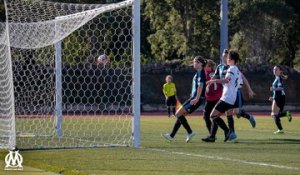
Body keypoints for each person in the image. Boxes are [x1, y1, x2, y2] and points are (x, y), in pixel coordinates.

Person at [163, 56, 207, 142]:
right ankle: (171, 136)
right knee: (180, 115)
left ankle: (189, 132)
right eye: (194, 62)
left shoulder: (201, 72)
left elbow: (201, 86)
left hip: (195, 99)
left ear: (200, 64)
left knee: (178, 113)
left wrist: (197, 98)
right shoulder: (199, 72)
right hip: (194, 98)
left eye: (195, 62)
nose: (193, 63)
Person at [204, 50, 241, 142]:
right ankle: (227, 133)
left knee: (212, 115)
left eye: (228, 58)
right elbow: (240, 84)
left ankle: (228, 132)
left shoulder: (231, 69)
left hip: (227, 97)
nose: (226, 60)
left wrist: (213, 81)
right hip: (231, 97)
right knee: (220, 115)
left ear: (232, 60)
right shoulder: (236, 69)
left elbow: (226, 80)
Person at [270, 65, 292, 134]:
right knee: (275, 114)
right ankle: (286, 113)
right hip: (279, 96)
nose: (274, 70)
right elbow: (277, 90)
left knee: (274, 114)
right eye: (274, 69)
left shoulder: (278, 78)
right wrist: (273, 97)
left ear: (280, 71)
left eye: (276, 69)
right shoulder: (277, 78)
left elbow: (281, 88)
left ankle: (280, 129)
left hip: (279, 96)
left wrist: (273, 89)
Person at [203, 59, 222, 135]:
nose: (204, 67)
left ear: (209, 66)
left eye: (205, 65)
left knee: (208, 116)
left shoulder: (208, 74)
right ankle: (212, 135)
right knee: (213, 116)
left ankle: (212, 134)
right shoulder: (216, 73)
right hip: (215, 97)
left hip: (212, 98)